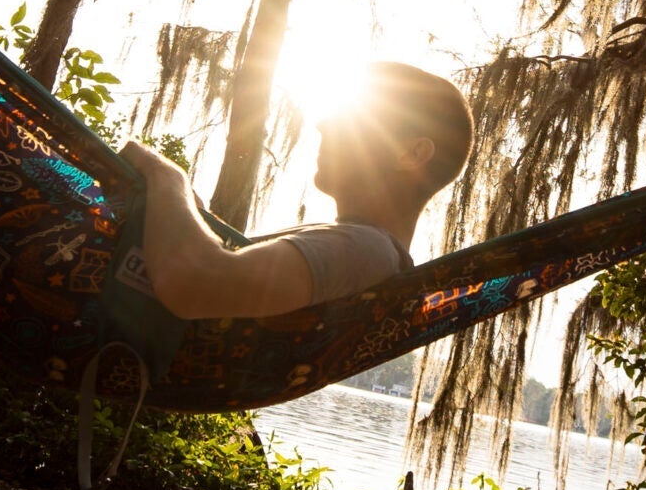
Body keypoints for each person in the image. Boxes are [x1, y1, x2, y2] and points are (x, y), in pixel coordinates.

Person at [117, 61, 473, 320]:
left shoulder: (366, 249)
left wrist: (167, 176)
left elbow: (195, 284)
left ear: (411, 154)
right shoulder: (355, 247)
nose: (324, 123)